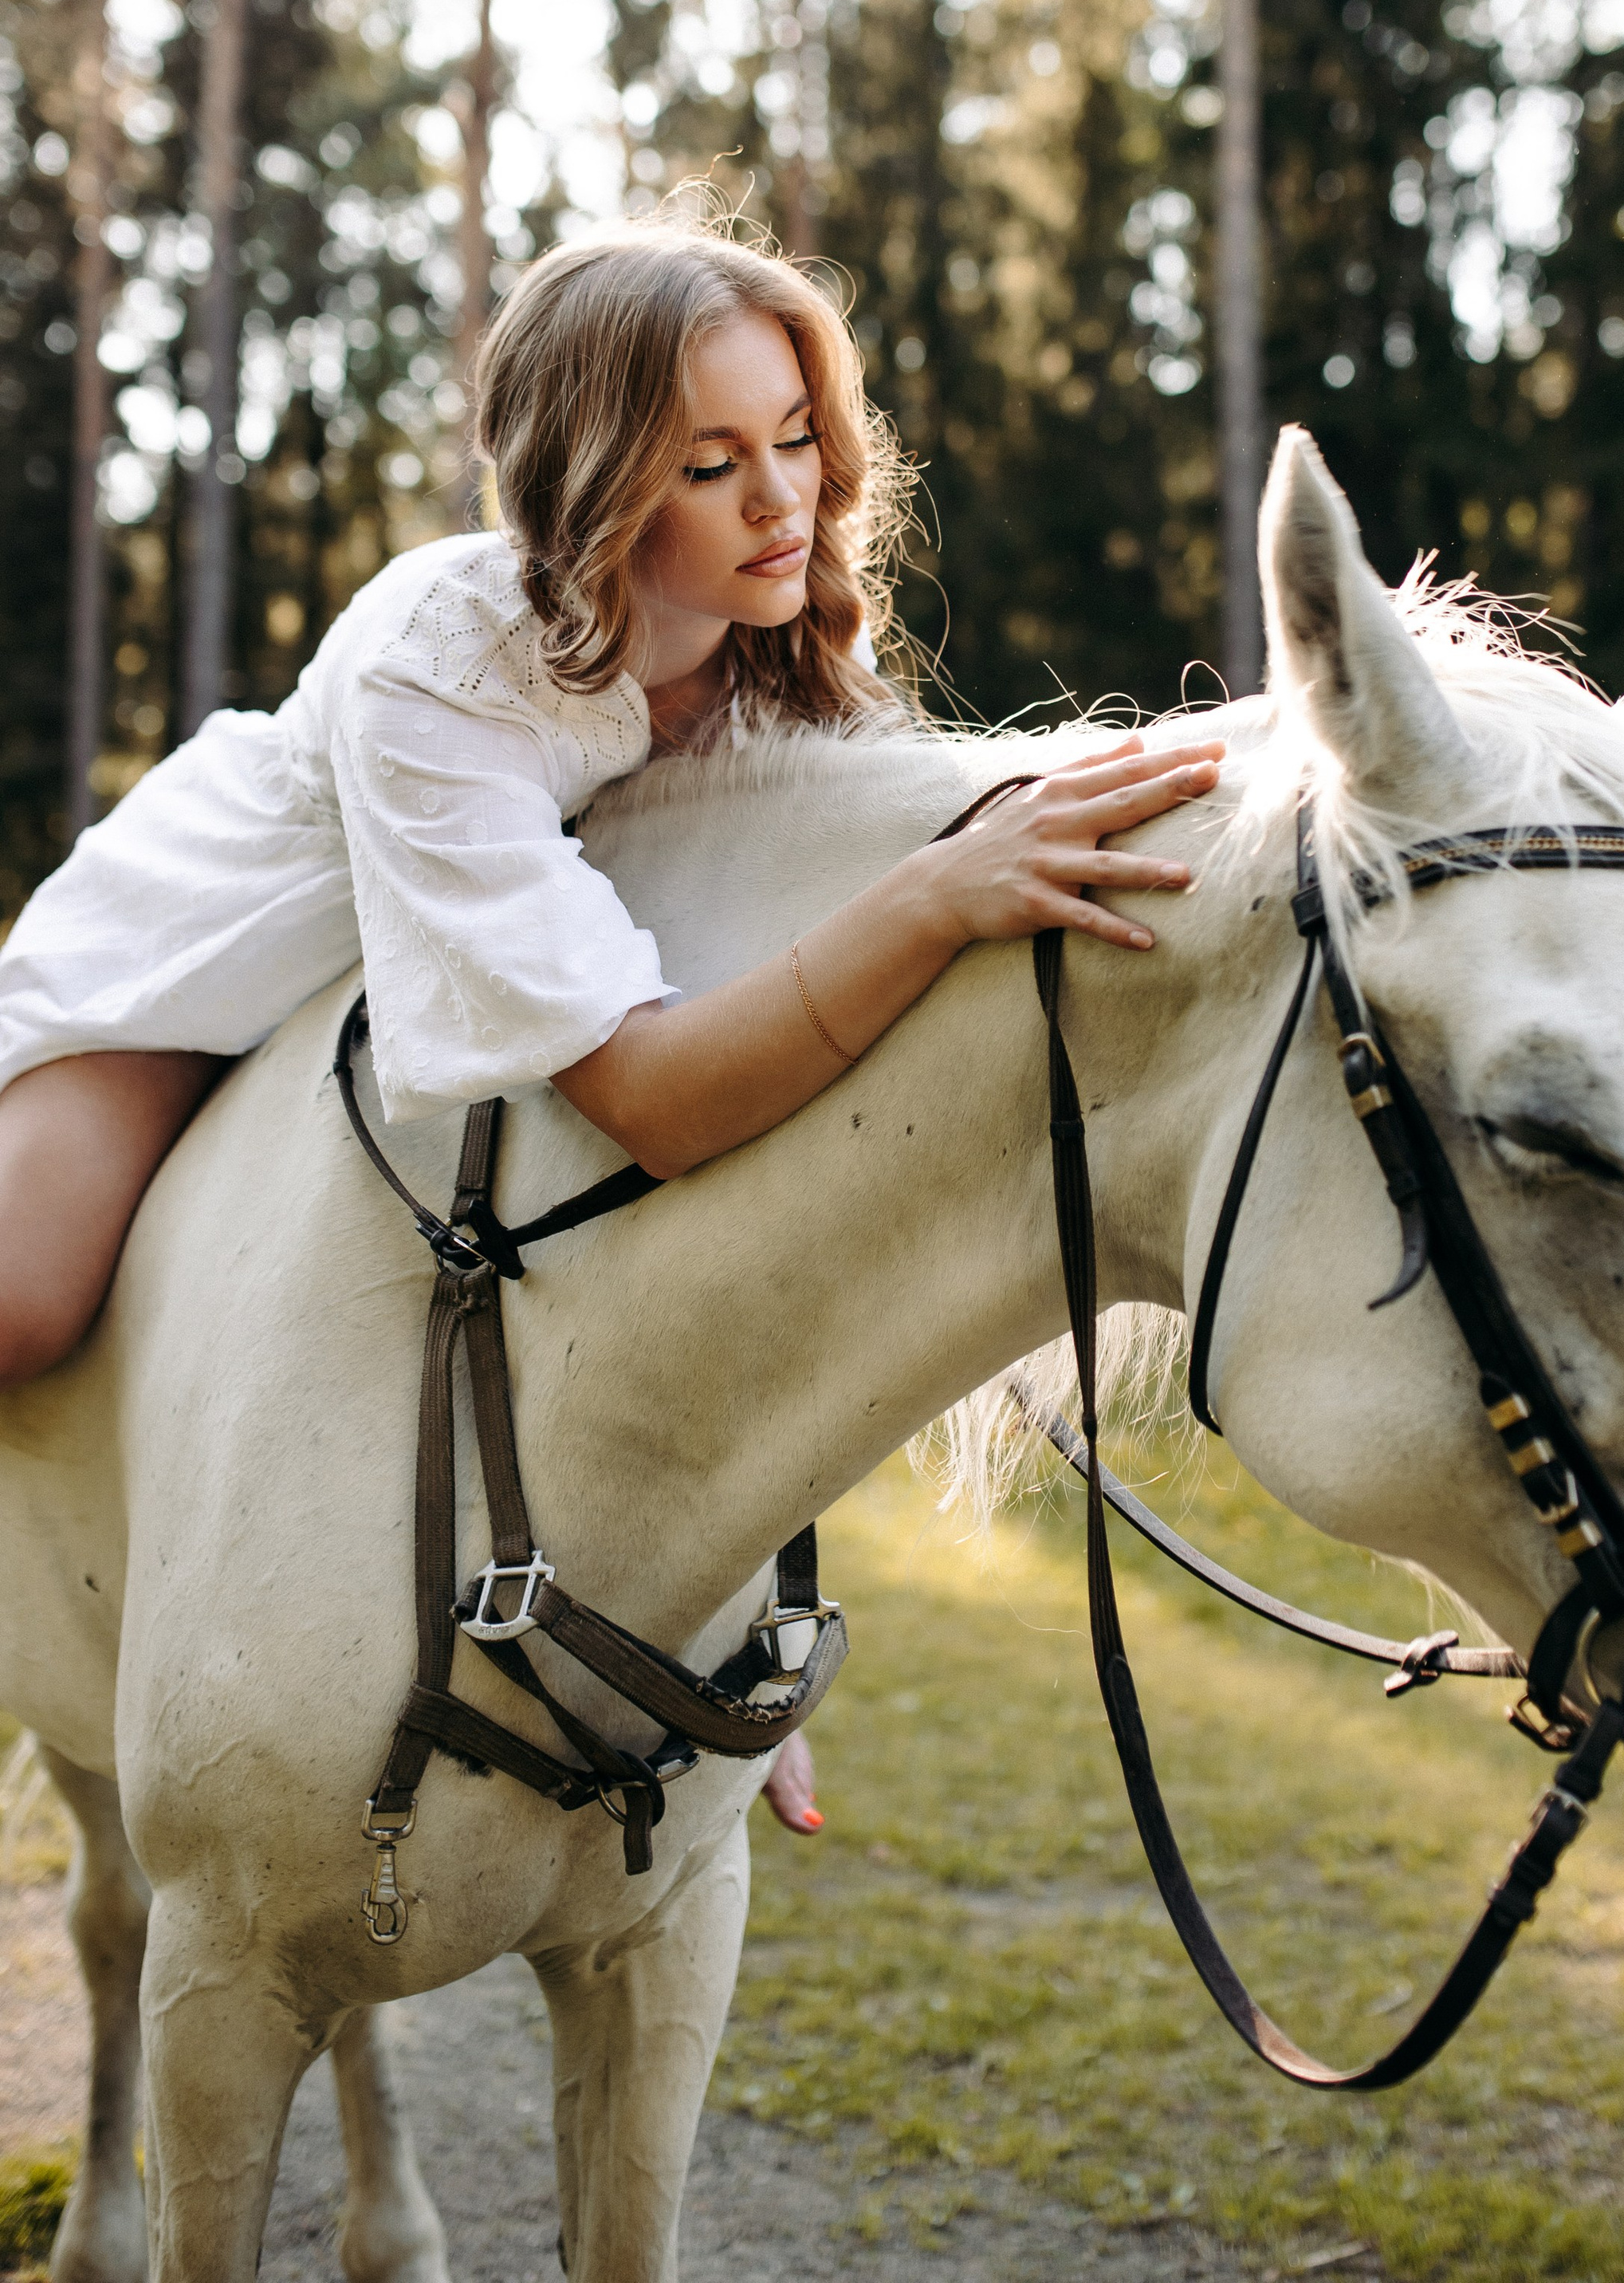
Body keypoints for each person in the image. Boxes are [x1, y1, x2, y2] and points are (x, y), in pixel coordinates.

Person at [0, 205, 1223, 1828]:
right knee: (18, 1301)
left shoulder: (779, 658)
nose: (781, 497)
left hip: (494, 986)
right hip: (222, 952)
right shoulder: (439, 657)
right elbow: (653, 1095)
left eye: (796, 437)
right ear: (587, 480)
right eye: (709, 464)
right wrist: (934, 895)